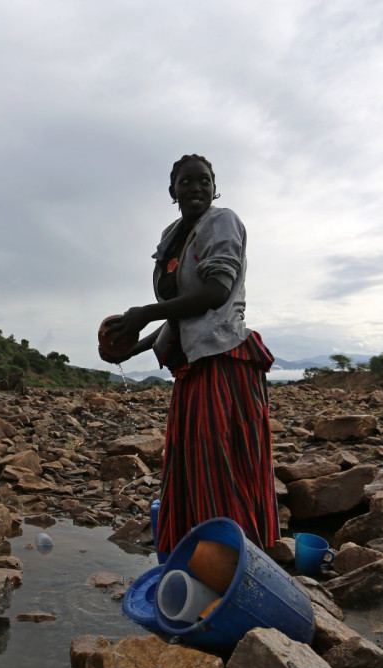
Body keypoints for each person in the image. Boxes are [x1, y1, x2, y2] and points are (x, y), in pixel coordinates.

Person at [103, 154, 279, 555]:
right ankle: (196, 560)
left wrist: (145, 315)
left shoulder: (222, 222)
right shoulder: (173, 236)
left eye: (204, 181)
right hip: (192, 367)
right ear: (173, 192)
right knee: (190, 468)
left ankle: (239, 560)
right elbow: (182, 312)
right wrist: (135, 347)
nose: (196, 188)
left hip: (226, 362)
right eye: (186, 182)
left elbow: (215, 293)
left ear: (215, 187)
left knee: (223, 465)